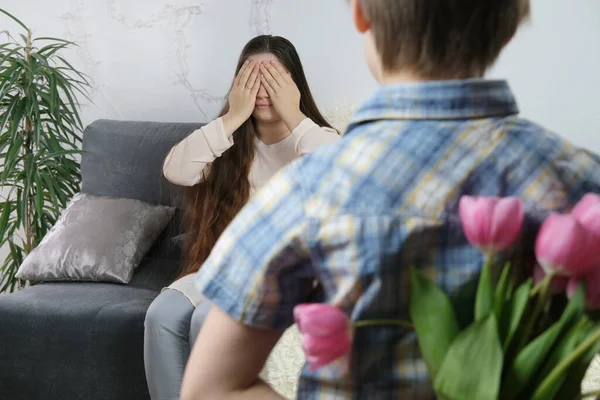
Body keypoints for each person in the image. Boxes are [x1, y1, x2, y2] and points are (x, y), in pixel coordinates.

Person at [181, 0, 600, 398]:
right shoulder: (582, 179)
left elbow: (212, 387)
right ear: (510, 24)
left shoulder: (311, 185)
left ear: (361, 13)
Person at [143, 35, 339, 400]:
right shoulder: (228, 142)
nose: (263, 90)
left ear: (293, 84)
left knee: (206, 320)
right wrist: (233, 116)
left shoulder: (316, 140)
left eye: (274, 79)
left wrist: (294, 115)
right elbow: (177, 171)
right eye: (252, 79)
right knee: (160, 316)